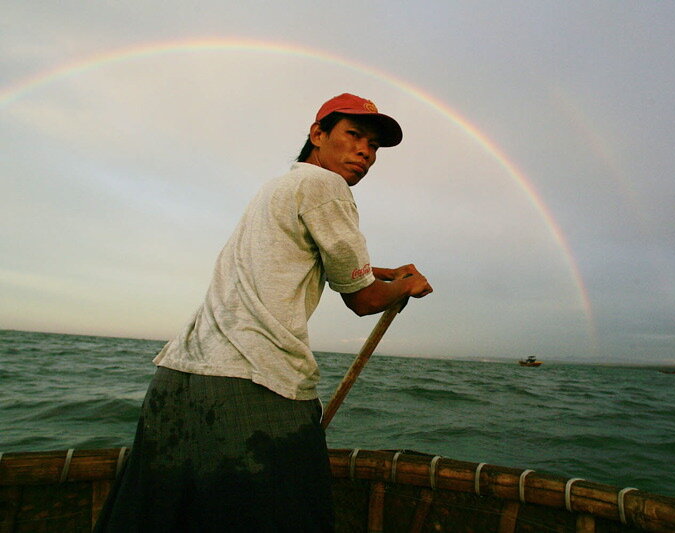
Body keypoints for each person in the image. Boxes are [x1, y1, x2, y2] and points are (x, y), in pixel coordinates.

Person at [94, 93, 433, 532]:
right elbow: (362, 300)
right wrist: (409, 284)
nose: (365, 151)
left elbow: (319, 264)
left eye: (374, 146)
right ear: (317, 134)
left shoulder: (279, 187)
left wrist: (381, 272)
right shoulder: (326, 187)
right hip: (253, 385)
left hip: (176, 382)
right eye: (354, 135)